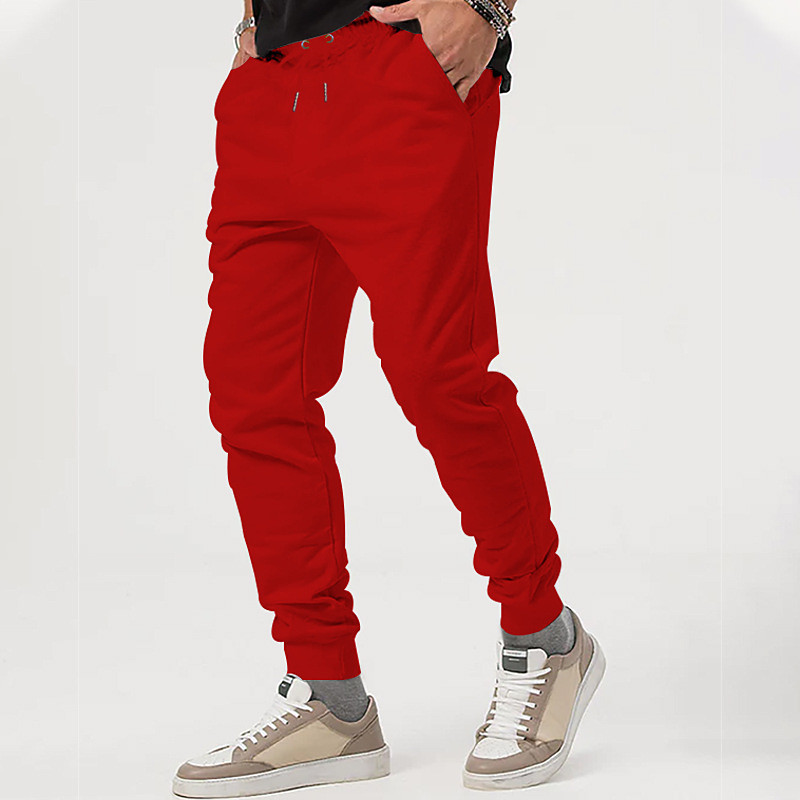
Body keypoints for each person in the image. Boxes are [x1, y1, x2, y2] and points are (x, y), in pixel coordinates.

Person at [173, 1, 604, 796]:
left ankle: (546, 637)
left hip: (401, 62)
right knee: (253, 393)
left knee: (437, 372)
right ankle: (331, 698)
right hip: (270, 85)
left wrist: (488, 7)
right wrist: (251, 27)